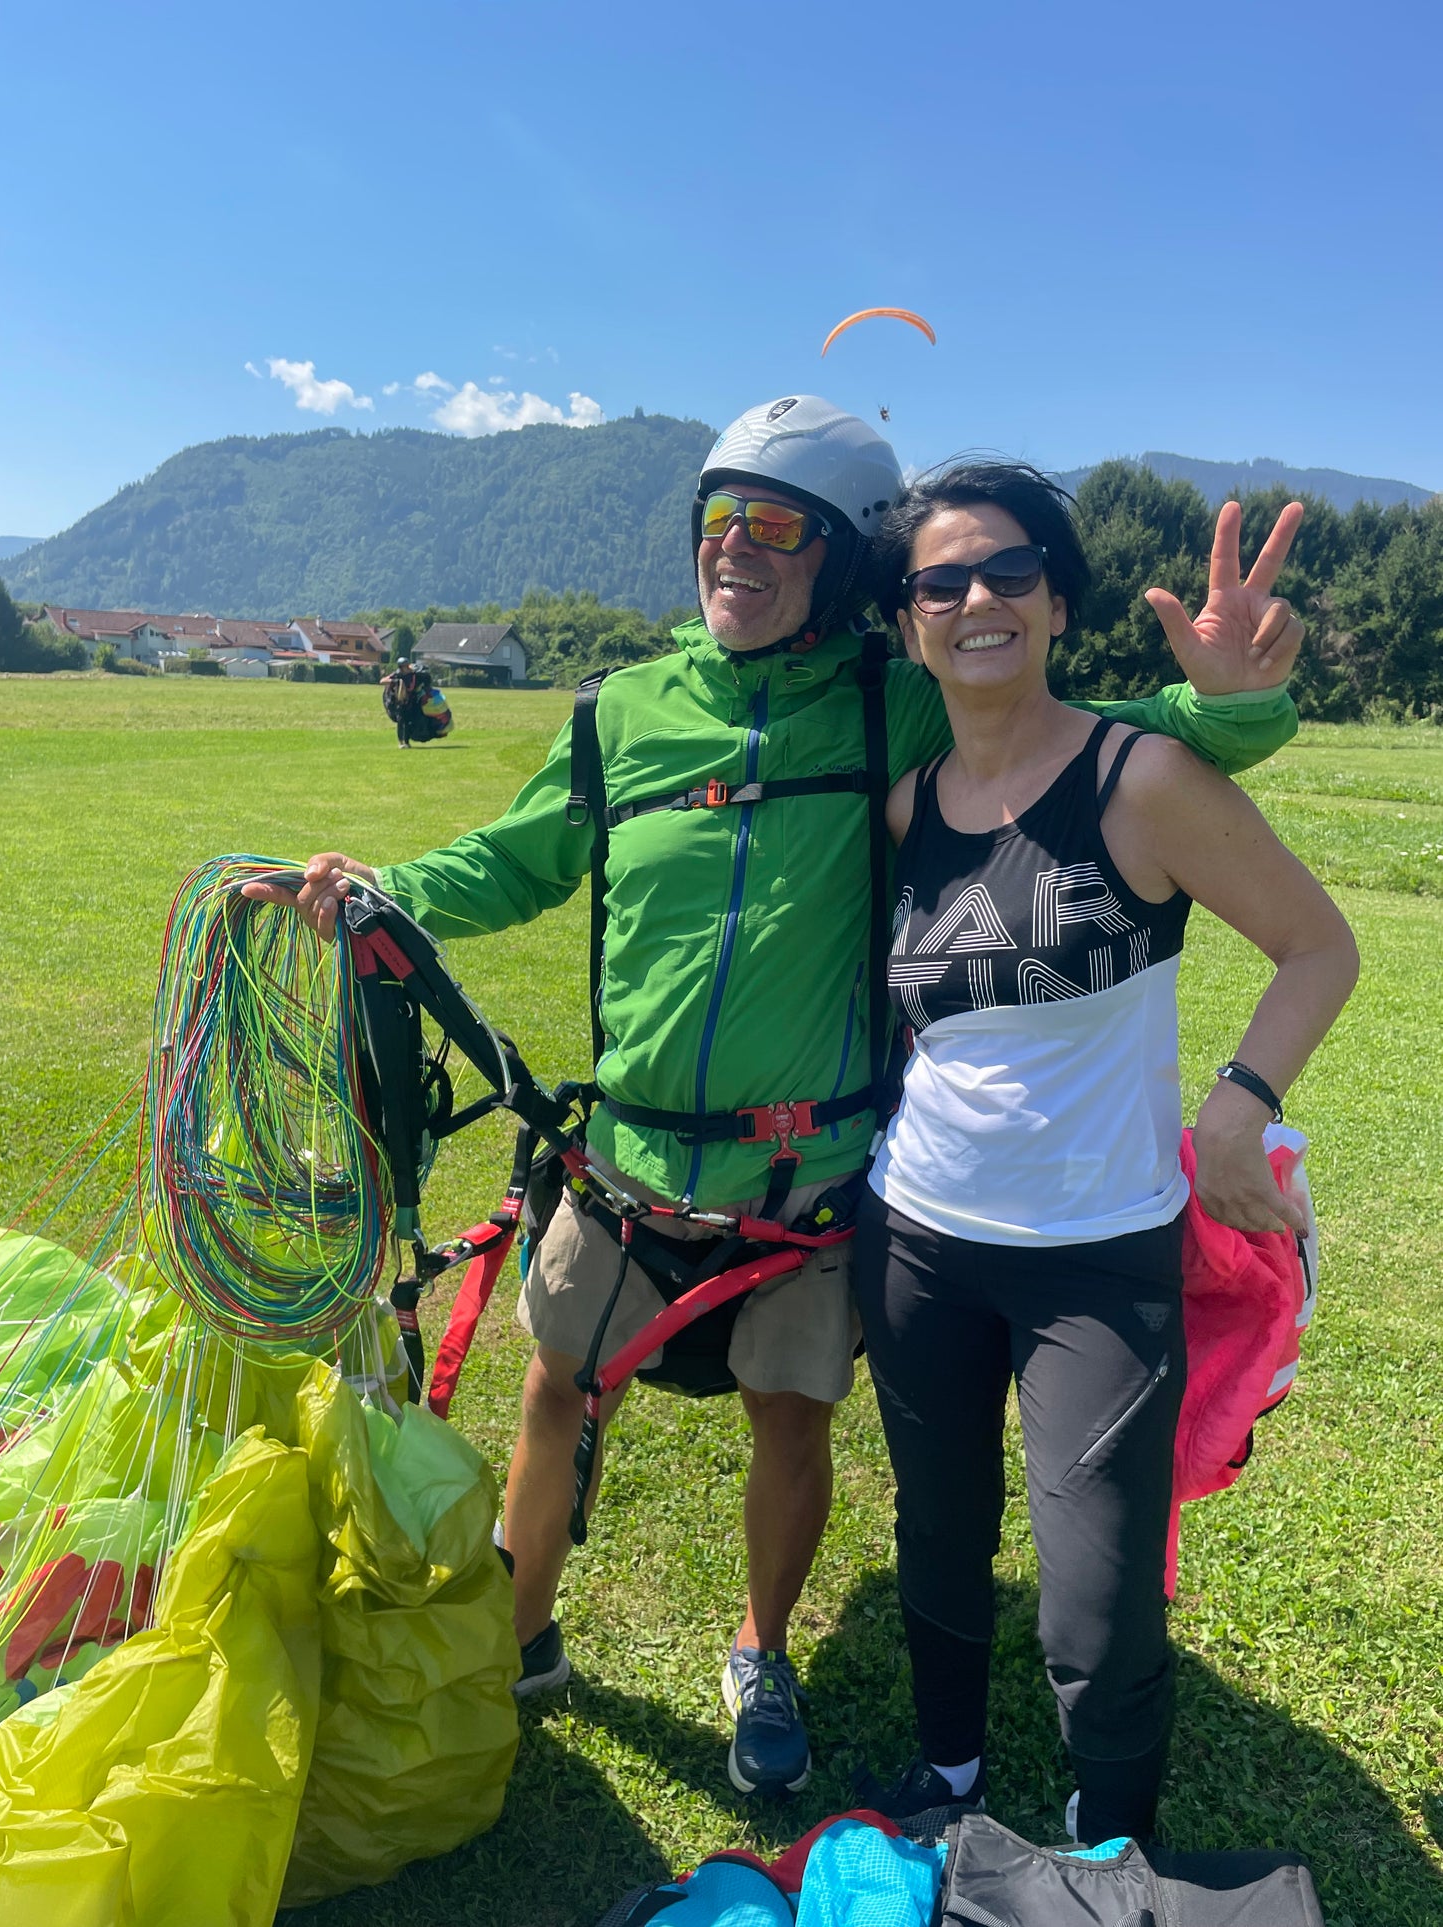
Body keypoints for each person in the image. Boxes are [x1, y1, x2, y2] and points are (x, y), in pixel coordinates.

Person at [243, 399, 1305, 1799]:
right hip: (622, 1161)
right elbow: (517, 858)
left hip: (813, 1176)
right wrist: (386, 895)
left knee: (787, 1415)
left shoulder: (895, 694)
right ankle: (519, 1639)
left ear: (850, 564)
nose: (736, 551)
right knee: (558, 1390)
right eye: (718, 521)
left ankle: (761, 1650)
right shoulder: (623, 710)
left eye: (779, 526)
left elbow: (1103, 733)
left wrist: (1233, 697)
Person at [850, 462, 1358, 1843]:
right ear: (907, 626)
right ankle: (946, 1772)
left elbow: (1318, 945)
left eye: (1007, 572)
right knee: (939, 1539)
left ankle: (1109, 1841)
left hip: (1098, 1260)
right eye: (939, 583)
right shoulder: (899, 812)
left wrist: (1236, 1102)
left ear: (1057, 603)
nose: (975, 601)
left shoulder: (1139, 778)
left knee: (1096, 1589)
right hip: (914, 1242)